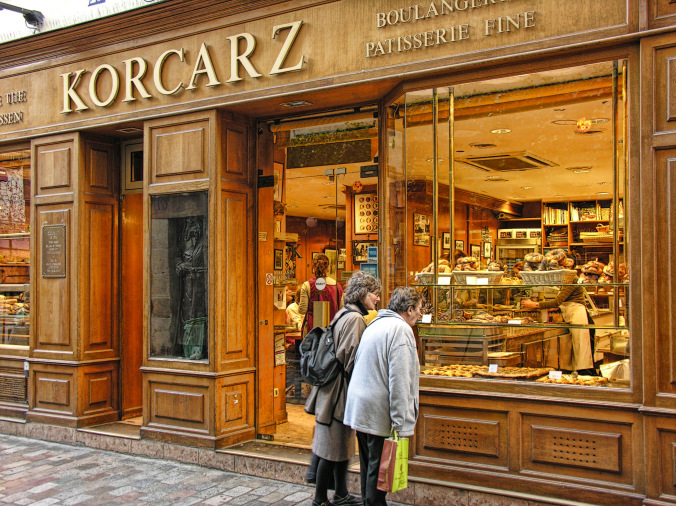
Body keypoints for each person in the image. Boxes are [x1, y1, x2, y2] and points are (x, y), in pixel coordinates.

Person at [305, 271, 382, 506]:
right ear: (362, 294)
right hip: (339, 390)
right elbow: (351, 358)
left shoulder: (344, 313)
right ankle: (320, 499)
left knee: (340, 445)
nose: (377, 298)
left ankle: (340, 493)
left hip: (333, 388)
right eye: (374, 294)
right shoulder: (355, 319)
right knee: (332, 446)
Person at [343, 286, 423, 506]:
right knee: (378, 471)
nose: (420, 315)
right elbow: (400, 380)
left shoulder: (376, 324)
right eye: (419, 310)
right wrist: (400, 421)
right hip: (378, 410)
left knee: (370, 466)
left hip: (361, 406)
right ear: (408, 309)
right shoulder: (401, 330)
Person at [521, 281, 594, 373]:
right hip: (573, 317)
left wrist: (535, 305)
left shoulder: (571, 279)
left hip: (581, 317)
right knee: (579, 352)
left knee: (583, 353)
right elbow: (562, 302)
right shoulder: (566, 280)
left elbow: (557, 301)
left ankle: (586, 379)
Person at [299, 253, 343, 334]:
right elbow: (342, 309)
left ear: (313, 266)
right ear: (328, 267)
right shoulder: (337, 286)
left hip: (312, 330)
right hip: (331, 330)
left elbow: (302, 310)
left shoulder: (307, 285)